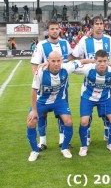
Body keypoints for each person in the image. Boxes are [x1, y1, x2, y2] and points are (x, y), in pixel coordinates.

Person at [72, 16, 111, 145]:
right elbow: (75, 55)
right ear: (92, 26)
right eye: (96, 24)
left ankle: (107, 134)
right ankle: (87, 136)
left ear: (104, 26)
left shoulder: (109, 40)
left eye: (101, 24)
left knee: (107, 110)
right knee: (88, 111)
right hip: (91, 79)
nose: (99, 26)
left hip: (106, 81)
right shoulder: (85, 40)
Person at [26, 51, 83, 161]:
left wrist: (95, 61)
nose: (56, 63)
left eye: (58, 61)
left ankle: (65, 148)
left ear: (61, 61)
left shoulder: (66, 68)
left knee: (68, 121)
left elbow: (81, 61)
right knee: (31, 121)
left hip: (59, 101)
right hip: (41, 101)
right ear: (48, 61)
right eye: (53, 61)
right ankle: (34, 151)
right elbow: (33, 91)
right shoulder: (41, 72)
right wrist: (34, 110)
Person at [31, 19, 73, 150]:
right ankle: (42, 141)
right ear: (48, 31)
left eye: (57, 29)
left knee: (62, 113)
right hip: (45, 86)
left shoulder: (65, 43)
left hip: (62, 86)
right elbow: (35, 65)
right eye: (52, 29)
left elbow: (71, 58)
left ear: (60, 30)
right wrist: (39, 81)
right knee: (42, 114)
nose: (55, 31)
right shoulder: (42, 45)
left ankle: (62, 140)